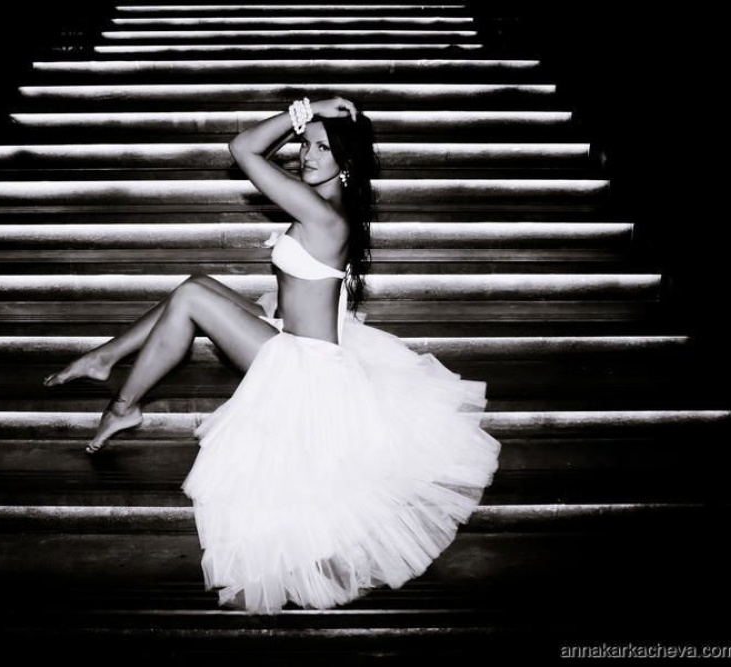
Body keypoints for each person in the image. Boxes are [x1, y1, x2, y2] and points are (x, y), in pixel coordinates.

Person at [44, 97, 501, 614]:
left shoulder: (321, 213)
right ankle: (106, 357)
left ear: (346, 161)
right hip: (291, 336)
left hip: (303, 368)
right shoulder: (325, 203)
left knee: (192, 296)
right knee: (198, 284)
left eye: (322, 148)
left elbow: (242, 148)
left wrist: (307, 108)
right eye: (305, 145)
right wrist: (304, 125)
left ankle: (124, 406)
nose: (307, 155)